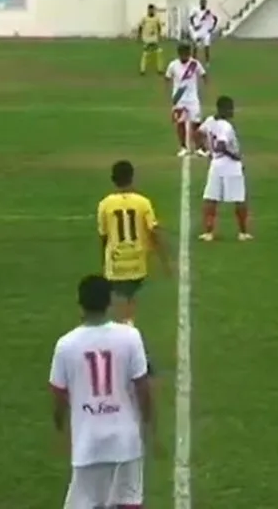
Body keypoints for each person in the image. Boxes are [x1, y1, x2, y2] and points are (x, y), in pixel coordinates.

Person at [49, 274, 154, 509]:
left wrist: (60, 426)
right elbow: (142, 386)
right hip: (125, 438)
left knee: (85, 503)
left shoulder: (66, 345)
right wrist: (146, 423)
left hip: (88, 441)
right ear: (109, 302)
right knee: (129, 501)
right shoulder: (130, 337)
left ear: (80, 304)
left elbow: (59, 396)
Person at [97, 159, 168, 325]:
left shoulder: (105, 204)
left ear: (113, 179)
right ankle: (128, 325)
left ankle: (120, 327)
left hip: (115, 261)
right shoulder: (143, 202)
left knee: (118, 298)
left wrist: (103, 261)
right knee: (130, 297)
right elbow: (153, 231)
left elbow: (103, 236)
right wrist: (164, 259)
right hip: (137, 261)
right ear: (132, 177)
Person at [197, 95, 252, 241]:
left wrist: (205, 150)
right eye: (231, 108)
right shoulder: (225, 126)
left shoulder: (209, 121)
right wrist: (233, 155)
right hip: (230, 166)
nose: (233, 111)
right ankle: (243, 232)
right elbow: (221, 145)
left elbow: (198, 133)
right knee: (239, 198)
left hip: (215, 165)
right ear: (224, 109)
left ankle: (208, 233)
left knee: (211, 198)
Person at [163, 42, 207, 157]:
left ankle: (199, 148)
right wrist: (168, 92)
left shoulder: (195, 64)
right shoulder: (173, 65)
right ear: (179, 53)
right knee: (180, 124)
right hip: (179, 99)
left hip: (192, 99)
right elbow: (167, 78)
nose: (185, 56)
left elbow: (203, 75)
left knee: (197, 123)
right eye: (183, 54)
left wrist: (206, 85)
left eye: (187, 54)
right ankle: (183, 147)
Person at [188, 0, 218, 65]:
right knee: (194, 44)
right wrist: (194, 26)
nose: (203, 4)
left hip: (206, 32)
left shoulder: (208, 11)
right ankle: (194, 60)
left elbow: (215, 19)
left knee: (206, 46)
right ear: (200, 3)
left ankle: (207, 61)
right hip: (198, 31)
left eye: (204, 2)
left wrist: (212, 28)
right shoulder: (197, 10)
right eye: (202, 2)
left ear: (206, 3)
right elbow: (191, 18)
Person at [137, 5, 165, 76]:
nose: (151, 11)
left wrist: (159, 35)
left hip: (154, 39)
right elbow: (140, 26)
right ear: (148, 10)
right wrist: (139, 36)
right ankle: (142, 70)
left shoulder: (157, 18)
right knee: (145, 54)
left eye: (152, 10)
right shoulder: (144, 18)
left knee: (158, 53)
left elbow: (159, 27)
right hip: (146, 39)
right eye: (150, 10)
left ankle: (160, 69)